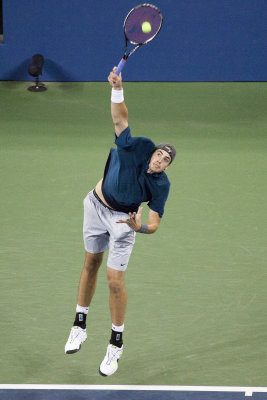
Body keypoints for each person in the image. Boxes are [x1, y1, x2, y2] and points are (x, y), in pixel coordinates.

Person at [64, 67, 176, 377]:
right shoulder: (135, 147)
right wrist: (118, 88)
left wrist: (137, 227)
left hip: (124, 223)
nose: (159, 159)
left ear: (167, 167)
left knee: (115, 282)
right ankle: (79, 325)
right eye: (158, 155)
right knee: (90, 264)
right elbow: (120, 118)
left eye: (166, 160)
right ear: (151, 153)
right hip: (95, 206)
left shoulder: (161, 186)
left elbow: (154, 223)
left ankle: (116, 343)